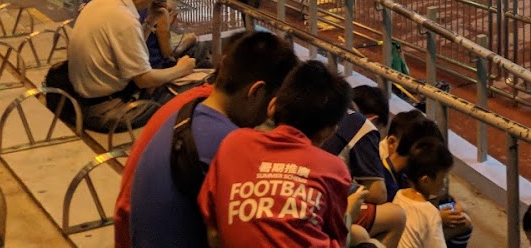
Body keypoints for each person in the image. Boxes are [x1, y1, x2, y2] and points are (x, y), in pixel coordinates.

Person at [117, 30, 299, 248]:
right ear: (257, 92)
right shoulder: (228, 146)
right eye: (272, 104)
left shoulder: (186, 110)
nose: (268, 117)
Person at [198, 61, 356, 248]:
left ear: (272, 106)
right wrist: (351, 210)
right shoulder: (333, 168)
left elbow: (214, 231)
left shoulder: (233, 143)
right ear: (329, 131)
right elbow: (339, 239)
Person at [63, 0, 196, 132]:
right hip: (108, 110)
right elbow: (144, 79)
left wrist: (150, 22)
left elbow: (126, 45)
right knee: (194, 93)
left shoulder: (102, 3)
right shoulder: (124, 19)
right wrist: (182, 69)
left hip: (83, 99)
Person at [321, 85, 406, 248]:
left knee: (359, 234)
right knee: (397, 216)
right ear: (373, 120)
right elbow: (378, 194)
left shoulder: (323, 108)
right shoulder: (360, 125)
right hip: (321, 201)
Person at [395, 138, 456, 248]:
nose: (445, 182)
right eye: (443, 178)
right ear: (426, 180)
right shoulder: (430, 213)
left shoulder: (399, 195)